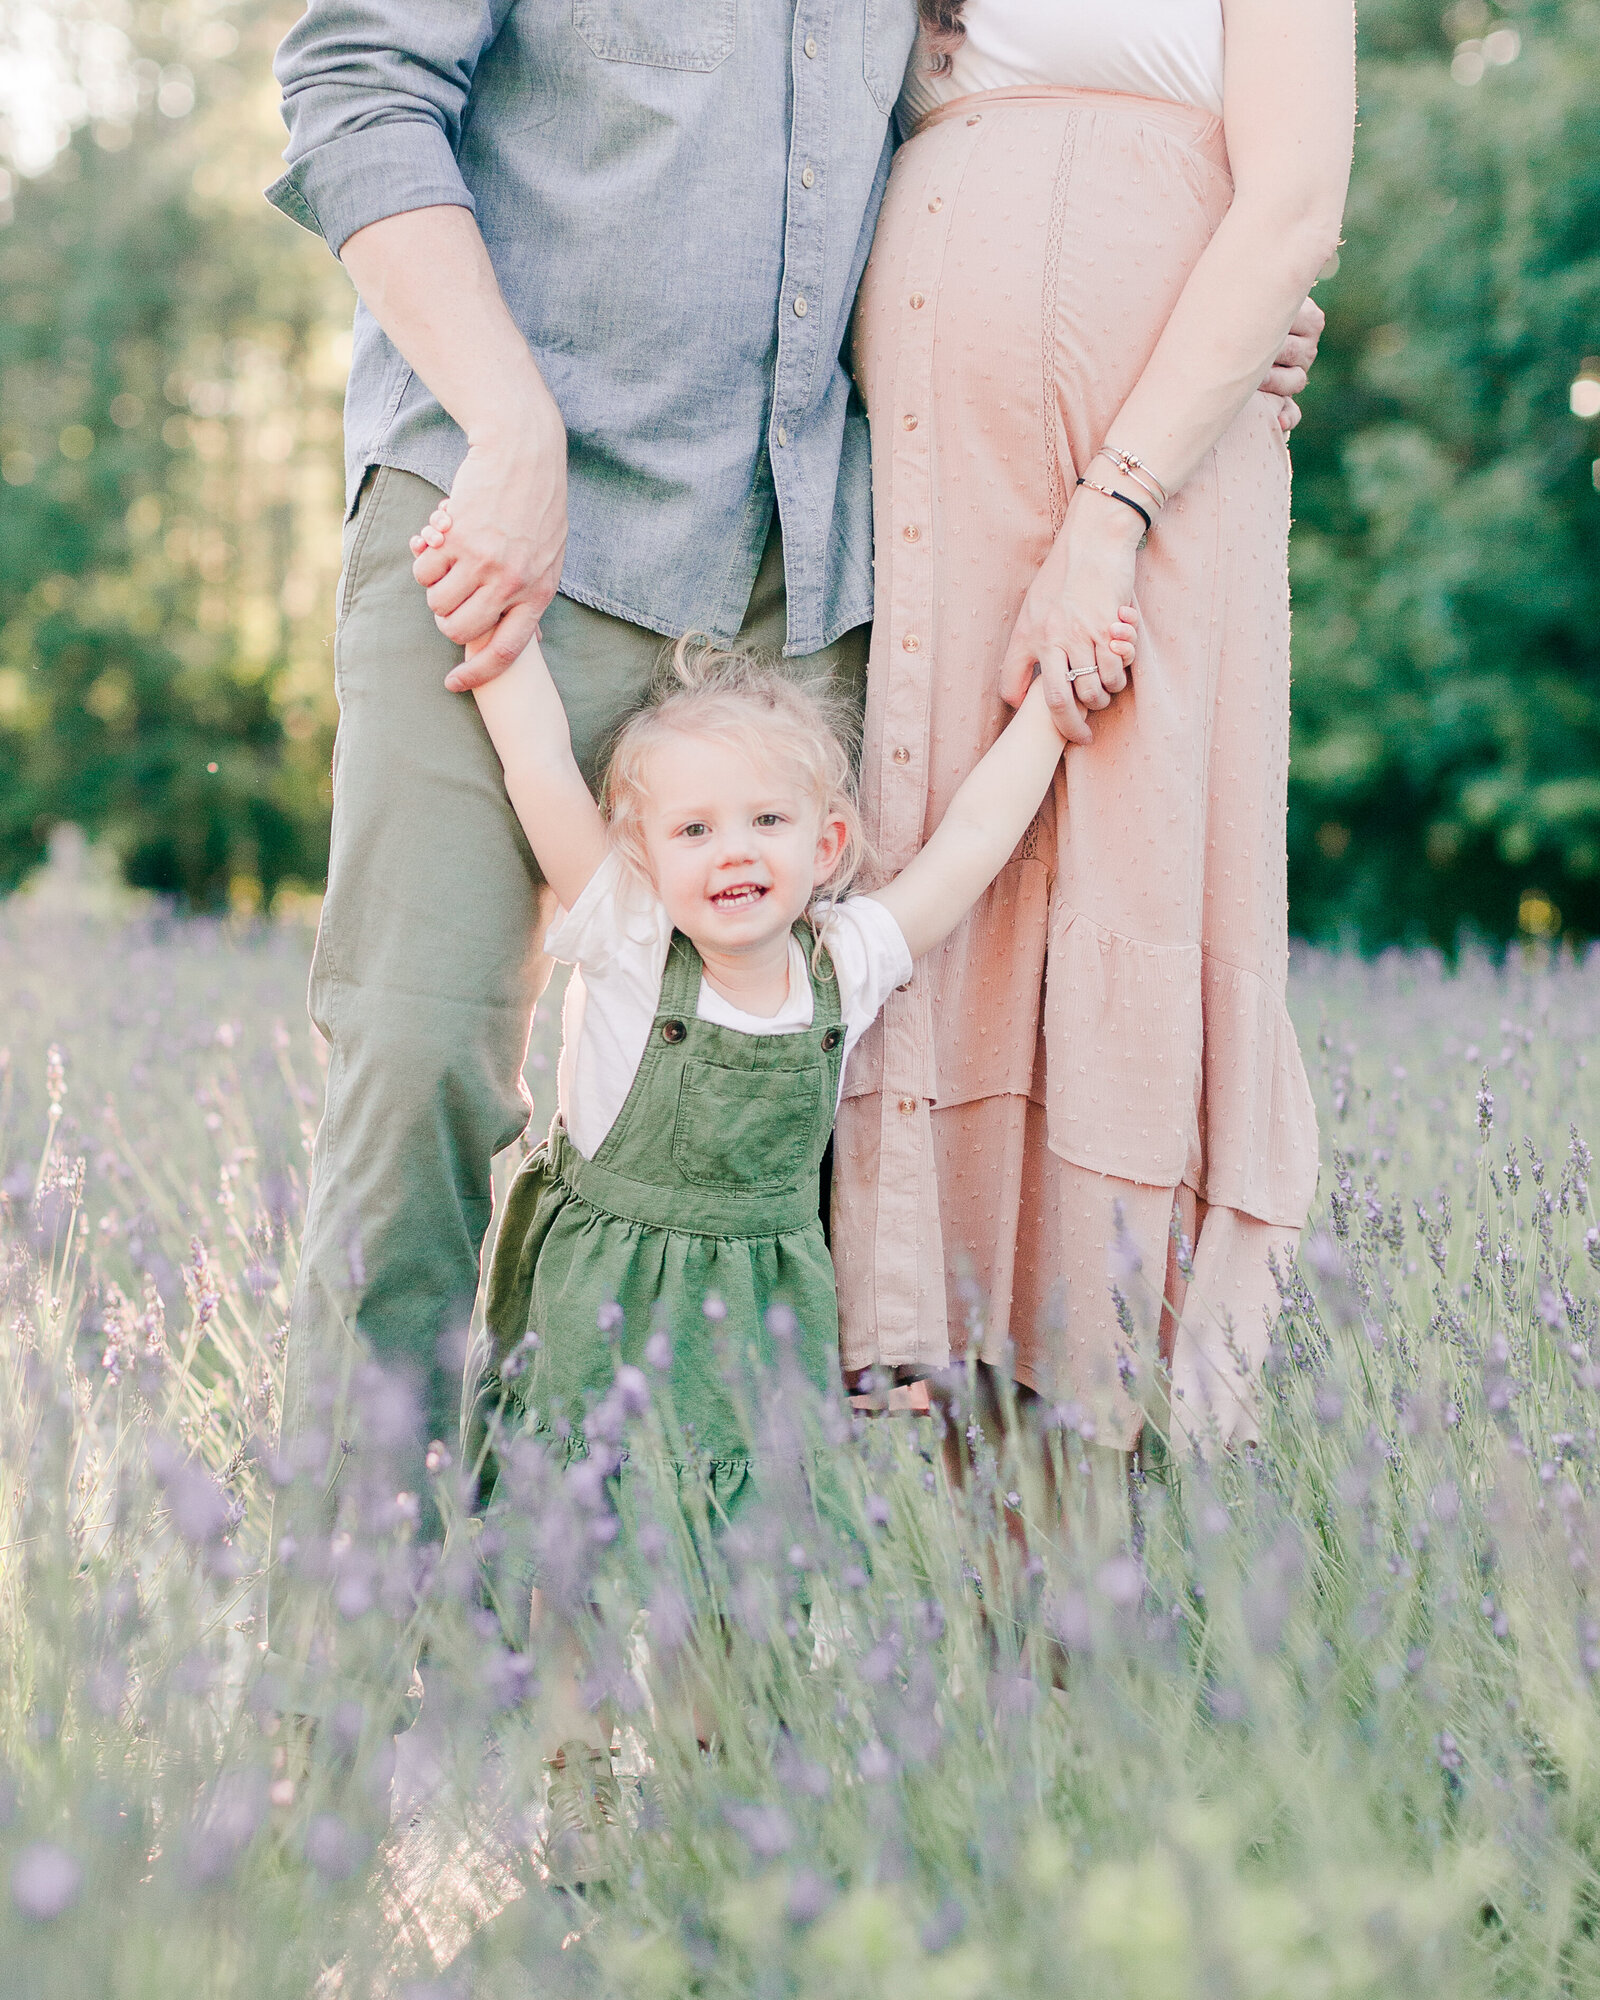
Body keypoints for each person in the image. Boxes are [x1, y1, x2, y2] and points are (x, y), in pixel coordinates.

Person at [262, 2, 1323, 1564]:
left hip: (806, 567)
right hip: (500, 523)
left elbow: (947, 130)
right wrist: (505, 414)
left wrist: (1201, 284)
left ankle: (686, 1716)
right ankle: (349, 1707)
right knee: (418, 1074)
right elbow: (353, 81)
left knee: (783, 1151)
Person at [834, 0, 1355, 1452]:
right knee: (951, 872)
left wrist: (1115, 504)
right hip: (937, 448)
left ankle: (1108, 1478)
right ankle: (956, 1490)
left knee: (1137, 842)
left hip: (1165, 459)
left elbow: (1297, 195)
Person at [426, 582, 1130, 1495]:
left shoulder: (845, 961)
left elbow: (975, 839)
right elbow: (540, 769)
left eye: (768, 821)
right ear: (642, 854)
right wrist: (496, 631)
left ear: (826, 843)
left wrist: (1049, 705)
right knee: (573, 1540)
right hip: (599, 1296)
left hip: (758, 1320)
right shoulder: (630, 939)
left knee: (734, 1549)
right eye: (695, 829)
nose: (736, 851)